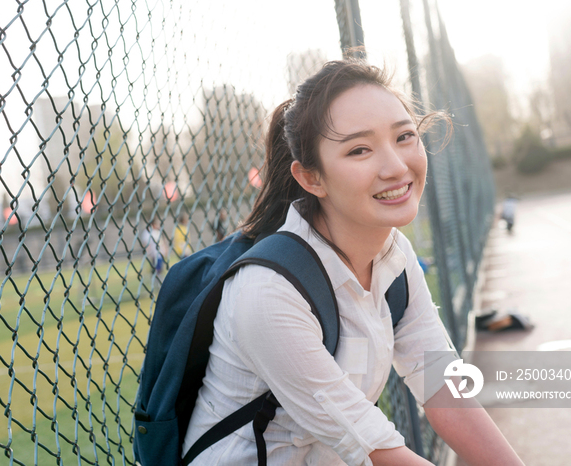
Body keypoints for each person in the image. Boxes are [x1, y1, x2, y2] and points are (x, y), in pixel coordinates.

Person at [182, 60, 523, 465]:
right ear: (312, 179)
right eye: (360, 149)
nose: (396, 167)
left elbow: (442, 386)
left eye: (404, 136)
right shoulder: (268, 291)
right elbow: (375, 447)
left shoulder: (394, 256)